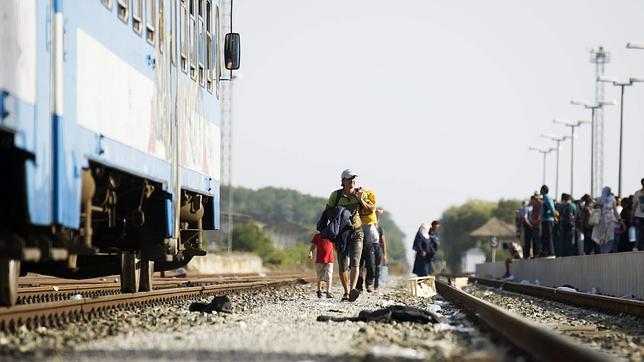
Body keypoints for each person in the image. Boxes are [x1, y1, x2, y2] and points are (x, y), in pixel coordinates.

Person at [326, 169, 369, 302]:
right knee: (343, 263)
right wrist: (338, 219)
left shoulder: (360, 193)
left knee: (355, 262)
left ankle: (352, 290)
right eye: (349, 179)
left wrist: (360, 200)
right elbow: (328, 212)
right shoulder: (336, 195)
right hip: (341, 234)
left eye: (354, 179)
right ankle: (345, 292)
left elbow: (369, 210)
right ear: (343, 181)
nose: (352, 181)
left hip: (357, 231)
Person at [355, 188, 377, 293]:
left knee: (371, 264)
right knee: (357, 265)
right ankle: (358, 286)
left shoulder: (369, 201)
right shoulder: (355, 202)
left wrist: (361, 200)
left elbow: (370, 208)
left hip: (368, 241)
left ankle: (369, 284)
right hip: (357, 239)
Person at [591, 186, 620, 254]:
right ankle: (602, 251)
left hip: (610, 220)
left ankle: (608, 250)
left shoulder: (612, 199)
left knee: (610, 236)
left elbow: (615, 211)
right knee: (601, 237)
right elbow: (594, 207)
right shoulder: (600, 199)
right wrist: (598, 206)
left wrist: (619, 219)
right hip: (601, 220)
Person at [308, 233, 334, 298]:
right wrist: (310, 253)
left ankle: (328, 291)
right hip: (320, 259)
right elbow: (313, 246)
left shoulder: (332, 235)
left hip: (330, 259)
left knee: (329, 275)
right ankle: (319, 290)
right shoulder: (317, 236)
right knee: (319, 276)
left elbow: (335, 245)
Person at [540, 185, 556, 258]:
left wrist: (554, 216)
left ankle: (551, 253)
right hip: (544, 220)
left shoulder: (546, 197)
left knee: (549, 236)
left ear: (543, 190)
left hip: (548, 219)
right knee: (544, 237)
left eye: (541, 189)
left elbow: (551, 207)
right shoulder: (544, 198)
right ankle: (544, 252)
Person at [374, 208, 388, 290]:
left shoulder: (380, 229)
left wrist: (385, 255)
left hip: (378, 249)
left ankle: (376, 283)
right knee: (370, 267)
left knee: (377, 267)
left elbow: (383, 242)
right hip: (368, 248)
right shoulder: (367, 228)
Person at [632, 178, 644, 251]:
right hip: (638, 216)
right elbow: (634, 205)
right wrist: (632, 216)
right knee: (638, 232)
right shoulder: (637, 193)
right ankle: (636, 246)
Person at [529, 191, 543, 258]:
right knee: (535, 239)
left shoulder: (541, 203)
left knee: (539, 239)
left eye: (537, 195)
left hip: (539, 223)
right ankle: (537, 253)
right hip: (534, 224)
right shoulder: (533, 203)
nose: (536, 197)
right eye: (535, 195)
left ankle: (540, 252)